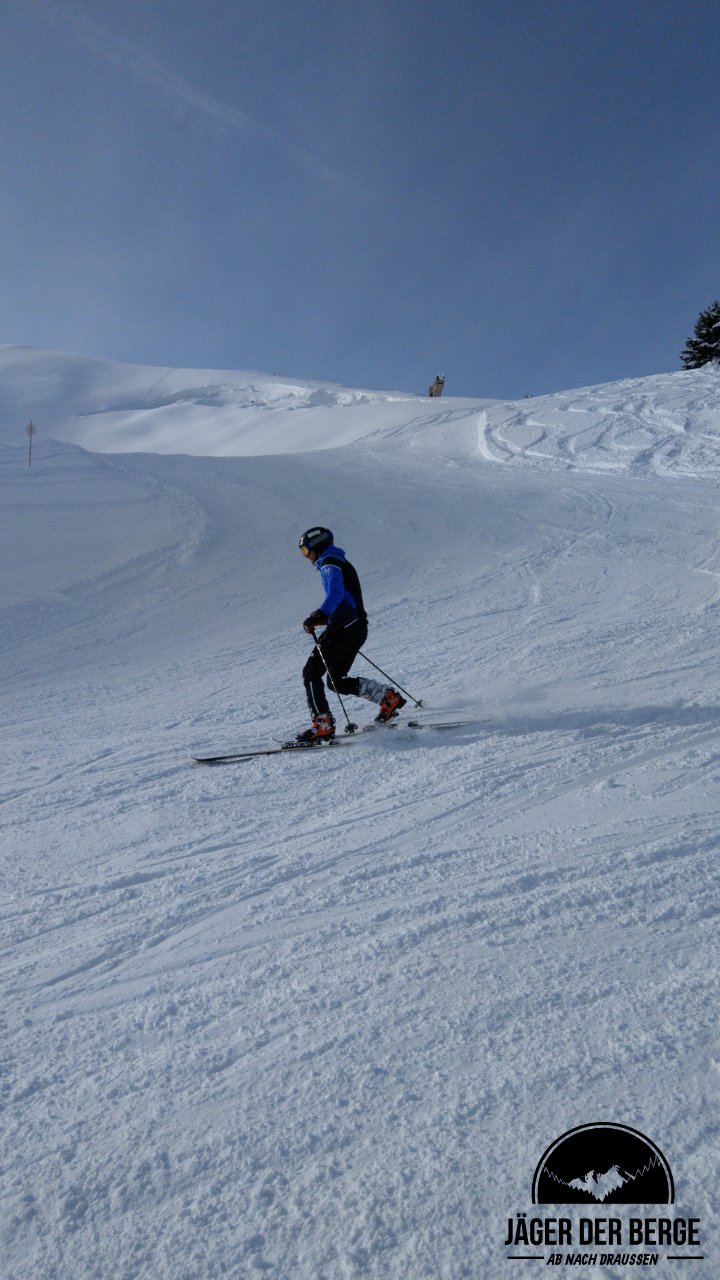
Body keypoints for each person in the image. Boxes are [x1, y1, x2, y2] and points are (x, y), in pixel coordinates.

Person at [297, 527, 406, 741]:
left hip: (346, 626)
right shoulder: (335, 562)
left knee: (311, 671)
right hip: (354, 626)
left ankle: (322, 723)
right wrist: (324, 618)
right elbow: (345, 599)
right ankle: (388, 698)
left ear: (317, 545)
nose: (305, 556)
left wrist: (321, 614)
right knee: (335, 681)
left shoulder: (329, 563)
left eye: (305, 550)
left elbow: (337, 593)